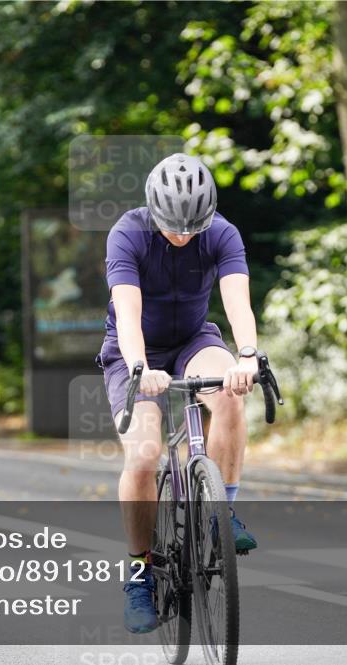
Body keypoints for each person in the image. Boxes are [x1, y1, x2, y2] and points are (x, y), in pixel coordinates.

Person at [97, 153, 261, 634]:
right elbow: (127, 314)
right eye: (174, 228)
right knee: (145, 455)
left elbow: (238, 302)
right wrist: (139, 367)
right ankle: (140, 575)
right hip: (134, 352)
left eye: (194, 228)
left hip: (194, 339)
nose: (184, 236)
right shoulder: (127, 233)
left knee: (231, 391)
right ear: (153, 210)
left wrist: (248, 355)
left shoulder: (223, 234)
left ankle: (220, 513)